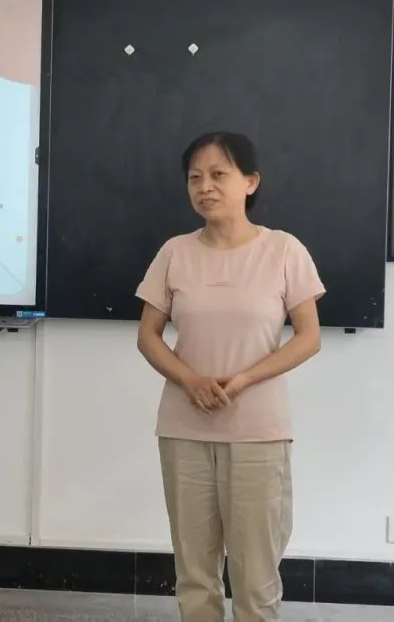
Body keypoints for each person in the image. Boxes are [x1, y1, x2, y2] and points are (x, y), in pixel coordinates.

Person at [135, 131, 324, 622]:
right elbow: (148, 336)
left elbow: (308, 337)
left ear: (250, 182)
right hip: (184, 427)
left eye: (219, 174)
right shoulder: (175, 251)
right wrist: (190, 380)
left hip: (258, 429)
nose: (205, 186)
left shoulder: (283, 250)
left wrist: (242, 380)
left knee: (255, 576)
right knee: (194, 574)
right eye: (195, 177)